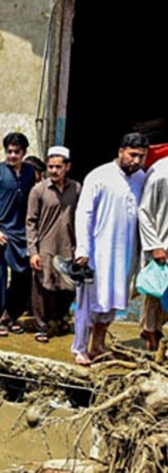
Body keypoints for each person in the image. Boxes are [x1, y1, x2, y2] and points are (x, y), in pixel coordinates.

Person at [73, 133, 149, 365]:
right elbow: (83, 213)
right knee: (88, 303)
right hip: (97, 253)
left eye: (141, 157)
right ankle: (79, 348)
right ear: (121, 151)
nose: (136, 161)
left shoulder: (141, 179)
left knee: (111, 302)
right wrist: (83, 249)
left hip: (124, 254)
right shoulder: (99, 176)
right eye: (133, 155)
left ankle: (97, 345)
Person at [0, 132, 36, 337]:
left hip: (21, 234)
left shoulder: (30, 172)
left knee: (23, 276)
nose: (12, 155)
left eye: (16, 152)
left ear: (24, 152)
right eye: (9, 151)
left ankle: (10, 316)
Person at [25, 147, 81, 344]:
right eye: (51, 167)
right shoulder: (38, 190)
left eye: (58, 166)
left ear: (68, 167)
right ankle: (42, 326)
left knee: (67, 288)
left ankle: (59, 318)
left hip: (68, 246)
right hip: (45, 247)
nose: (54, 171)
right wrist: (33, 251)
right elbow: (30, 222)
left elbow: (82, 219)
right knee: (42, 288)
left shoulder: (76, 189)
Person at [139, 156, 168, 351]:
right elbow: (144, 211)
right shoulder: (161, 173)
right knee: (156, 292)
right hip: (162, 243)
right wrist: (155, 245)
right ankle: (151, 335)